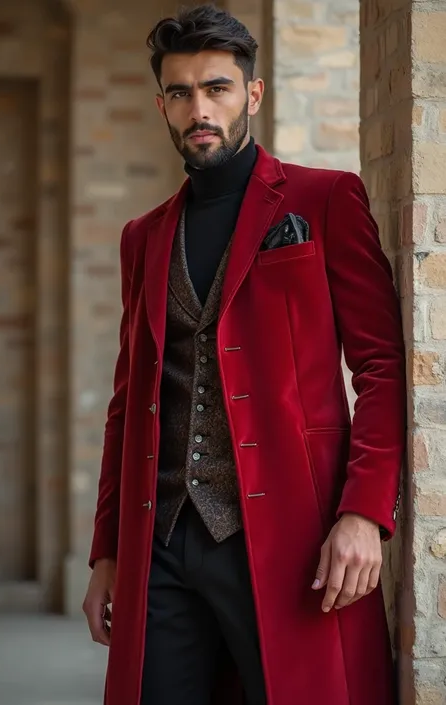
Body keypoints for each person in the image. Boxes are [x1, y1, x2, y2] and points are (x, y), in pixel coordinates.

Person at [82, 5, 406, 705]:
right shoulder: (142, 238)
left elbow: (380, 367)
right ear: (163, 106)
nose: (199, 108)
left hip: (293, 541)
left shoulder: (324, 201)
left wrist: (365, 511)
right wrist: (107, 549)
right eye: (180, 92)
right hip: (162, 545)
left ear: (251, 94)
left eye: (217, 88)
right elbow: (127, 401)